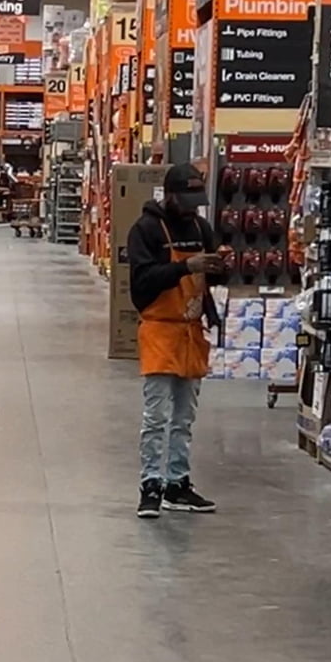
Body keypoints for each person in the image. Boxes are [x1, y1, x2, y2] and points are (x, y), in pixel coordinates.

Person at [127, 164, 224, 519]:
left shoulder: (201, 228)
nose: (192, 208)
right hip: (159, 331)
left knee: (184, 418)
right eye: (186, 200)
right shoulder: (147, 230)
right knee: (156, 416)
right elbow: (142, 283)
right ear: (169, 195)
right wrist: (187, 267)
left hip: (191, 331)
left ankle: (177, 483)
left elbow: (209, 281)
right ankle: (150, 484)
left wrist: (218, 268)